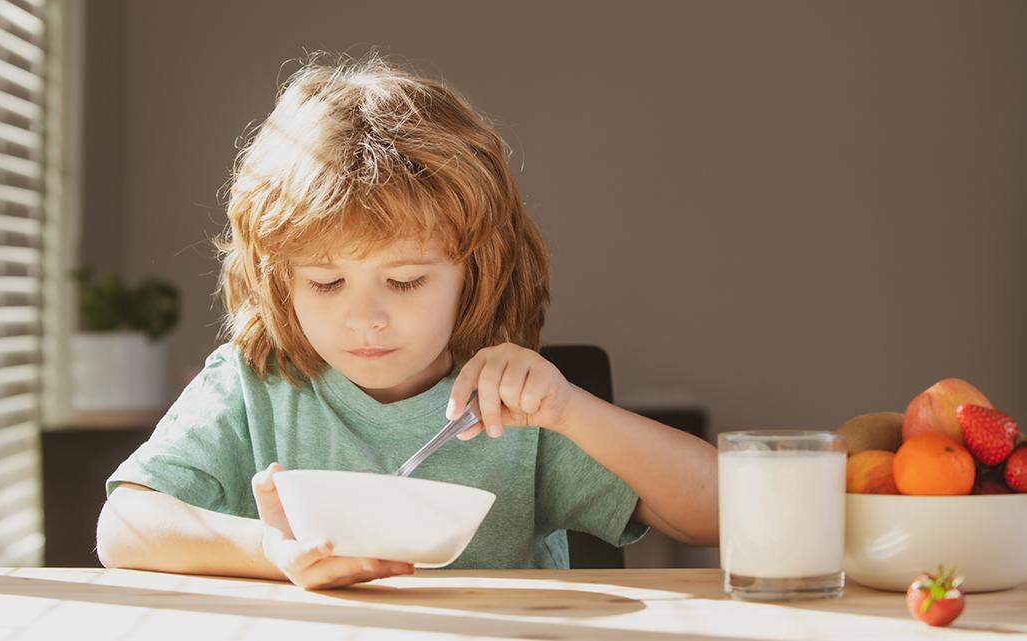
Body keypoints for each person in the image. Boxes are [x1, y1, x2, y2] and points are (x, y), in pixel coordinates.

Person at [96, 51, 718, 590]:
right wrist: (272, 551)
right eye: (326, 282)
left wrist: (570, 412)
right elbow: (123, 528)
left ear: (475, 273)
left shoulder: (515, 410)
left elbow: (724, 515)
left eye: (405, 281)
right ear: (279, 279)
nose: (365, 319)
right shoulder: (251, 386)